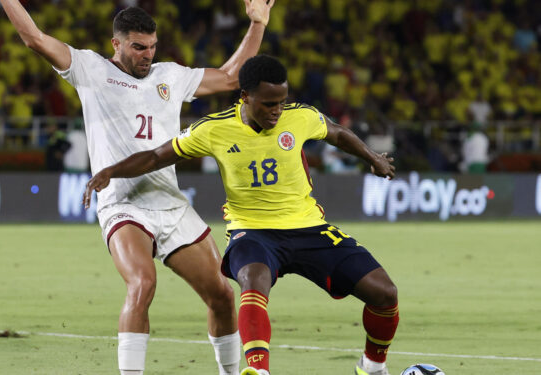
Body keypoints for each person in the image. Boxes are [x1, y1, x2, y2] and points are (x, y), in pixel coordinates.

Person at [0, 1, 274, 374]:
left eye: (152, 46)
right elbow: (33, 38)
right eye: (138, 47)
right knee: (143, 283)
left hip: (171, 203)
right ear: (116, 44)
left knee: (223, 295)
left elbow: (230, 77)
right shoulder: (90, 69)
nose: (147, 55)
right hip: (123, 204)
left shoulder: (170, 76)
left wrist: (257, 23)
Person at [84, 55, 399, 375]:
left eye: (281, 101)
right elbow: (155, 156)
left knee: (384, 292)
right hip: (253, 232)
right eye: (268, 104)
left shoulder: (300, 117)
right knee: (253, 280)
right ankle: (257, 370)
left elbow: (337, 133)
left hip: (309, 228)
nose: (277, 110)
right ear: (245, 97)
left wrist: (372, 158)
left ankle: (372, 366)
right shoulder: (213, 129)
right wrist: (111, 171)